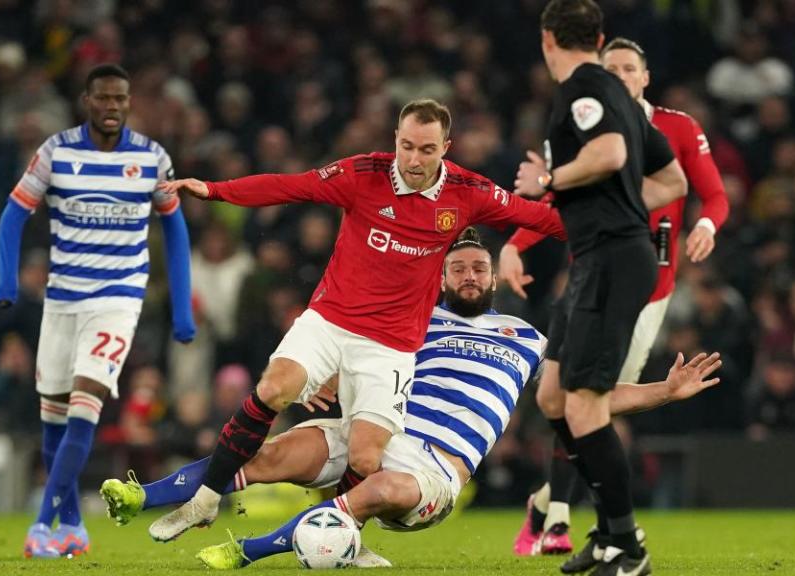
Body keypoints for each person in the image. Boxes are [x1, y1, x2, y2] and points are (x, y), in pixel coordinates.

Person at [98, 228, 722, 569]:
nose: (471, 277)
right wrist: (324, 382)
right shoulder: (413, 321)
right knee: (265, 455)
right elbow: (355, 356)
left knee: (381, 491)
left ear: (494, 277)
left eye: (479, 268)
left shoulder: (528, 338)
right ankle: (141, 497)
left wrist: (664, 391)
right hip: (375, 428)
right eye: (459, 270)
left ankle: (245, 553)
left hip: (434, 467)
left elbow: (589, 399)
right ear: (443, 278)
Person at [148, 99, 567, 542]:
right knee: (275, 387)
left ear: (446, 147)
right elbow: (291, 186)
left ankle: (342, 537)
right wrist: (215, 190)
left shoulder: (468, 191)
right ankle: (205, 500)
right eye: (407, 146)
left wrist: (615, 220)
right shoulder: (363, 174)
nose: (413, 159)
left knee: (367, 459)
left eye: (426, 149)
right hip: (331, 319)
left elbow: (544, 218)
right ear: (395, 140)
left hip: (391, 344)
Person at [504, 36, 730, 558]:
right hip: (589, 274)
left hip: (649, 289)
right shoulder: (588, 126)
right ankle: (562, 518)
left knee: (591, 400)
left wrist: (706, 225)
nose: (622, 77)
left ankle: (561, 514)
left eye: (631, 69)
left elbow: (710, 192)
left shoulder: (676, 127)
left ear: (645, 77)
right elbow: (557, 202)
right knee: (567, 396)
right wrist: (516, 244)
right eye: (614, 69)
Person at [0, 63, 195, 558]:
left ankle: (42, 525)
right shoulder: (56, 152)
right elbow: (13, 212)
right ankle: (75, 528)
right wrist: (7, 279)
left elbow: (175, 229)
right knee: (52, 421)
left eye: (120, 99)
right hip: (62, 299)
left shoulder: (152, 158)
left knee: (86, 405)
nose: (112, 107)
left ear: (129, 103)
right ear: (87, 100)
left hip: (117, 300)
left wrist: (182, 308)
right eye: (103, 98)